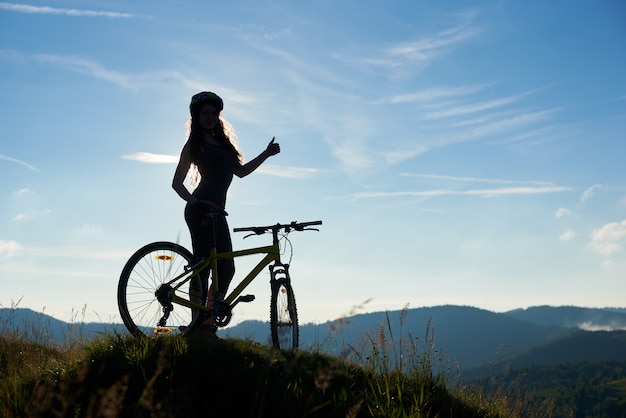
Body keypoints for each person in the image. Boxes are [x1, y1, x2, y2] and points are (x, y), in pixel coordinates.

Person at [172, 91, 280, 334]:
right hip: (200, 210)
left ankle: (207, 319)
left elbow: (240, 172)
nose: (210, 117)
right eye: (205, 113)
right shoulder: (193, 145)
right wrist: (196, 203)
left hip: (218, 211)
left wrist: (266, 153)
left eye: (214, 113)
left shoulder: (223, 144)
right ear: (196, 116)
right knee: (203, 266)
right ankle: (197, 324)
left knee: (227, 268)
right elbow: (177, 183)